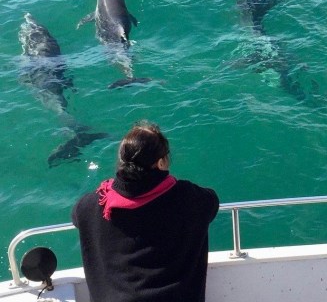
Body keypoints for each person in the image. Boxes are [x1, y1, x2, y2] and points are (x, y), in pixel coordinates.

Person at [72, 121, 219, 302]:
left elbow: (76, 216)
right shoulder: (188, 198)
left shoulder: (93, 205)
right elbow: (212, 202)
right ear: (161, 162)